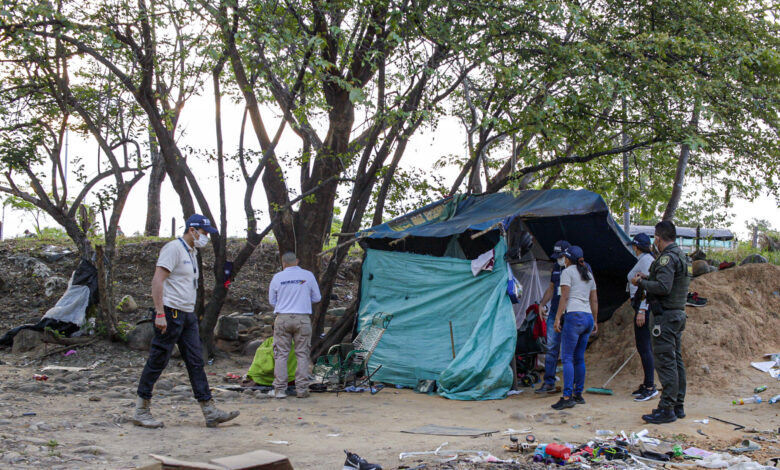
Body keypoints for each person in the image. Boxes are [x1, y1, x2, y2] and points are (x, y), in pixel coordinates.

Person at [133, 214, 239, 428]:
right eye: (204, 232)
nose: (206, 237)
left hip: (187, 314)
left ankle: (209, 409)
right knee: (158, 359)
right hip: (171, 312)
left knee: (196, 360)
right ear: (192, 230)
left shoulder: (191, 252)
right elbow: (158, 280)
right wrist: (160, 312)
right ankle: (141, 409)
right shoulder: (173, 249)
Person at [632, 220, 690, 424]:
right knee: (675, 360)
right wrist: (649, 277)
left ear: (658, 238)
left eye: (655, 239)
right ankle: (677, 404)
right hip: (676, 315)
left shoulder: (667, 258)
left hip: (665, 317)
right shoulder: (680, 255)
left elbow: (664, 287)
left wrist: (641, 282)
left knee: (666, 362)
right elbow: (668, 282)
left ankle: (666, 408)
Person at [268, 252, 321, 399]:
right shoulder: (308, 275)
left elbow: (272, 301)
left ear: (283, 262)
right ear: (297, 261)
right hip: (302, 318)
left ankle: (279, 390)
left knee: (281, 355)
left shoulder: (277, 278)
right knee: (302, 354)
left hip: (282, 318)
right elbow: (317, 297)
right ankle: (302, 389)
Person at [550, 245, 598, 409]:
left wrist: (557, 318)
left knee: (567, 358)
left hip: (574, 316)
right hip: (587, 318)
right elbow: (594, 300)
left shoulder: (567, 272)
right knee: (579, 358)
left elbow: (565, 296)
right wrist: (595, 321)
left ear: (568, 258)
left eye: (564, 256)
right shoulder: (588, 274)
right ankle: (578, 394)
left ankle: (567, 396)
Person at [535, 240, 570, 394]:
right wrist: (542, 304)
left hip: (569, 315)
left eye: (561, 256)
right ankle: (549, 382)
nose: (559, 259)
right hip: (554, 312)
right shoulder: (556, 268)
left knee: (570, 350)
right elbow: (551, 288)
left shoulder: (577, 269)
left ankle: (572, 386)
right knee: (551, 348)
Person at [626, 233, 658, 402]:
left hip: (644, 307)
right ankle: (647, 383)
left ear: (637, 247)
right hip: (640, 305)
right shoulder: (645, 259)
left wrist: (642, 310)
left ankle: (651, 386)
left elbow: (647, 288)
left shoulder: (646, 261)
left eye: (634, 246)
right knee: (643, 346)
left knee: (644, 346)